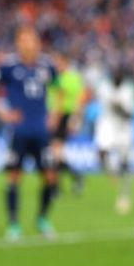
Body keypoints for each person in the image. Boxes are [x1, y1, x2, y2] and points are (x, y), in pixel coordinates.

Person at [0, 27, 59, 240]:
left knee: (50, 177)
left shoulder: (47, 65)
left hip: (41, 131)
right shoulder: (8, 66)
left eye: (32, 40)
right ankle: (13, 224)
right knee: (14, 177)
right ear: (18, 43)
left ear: (38, 42)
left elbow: (58, 89)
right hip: (19, 131)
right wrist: (2, 113)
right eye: (24, 40)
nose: (29, 44)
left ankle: (42, 218)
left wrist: (54, 114)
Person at [94, 66, 134, 214]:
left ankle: (124, 195)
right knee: (101, 151)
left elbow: (129, 114)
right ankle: (112, 171)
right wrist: (114, 105)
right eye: (114, 75)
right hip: (108, 123)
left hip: (123, 128)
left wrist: (120, 108)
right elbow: (104, 104)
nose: (116, 77)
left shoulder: (128, 90)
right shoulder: (104, 87)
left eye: (119, 75)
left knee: (125, 163)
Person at [47, 52, 86, 194]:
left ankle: (58, 186)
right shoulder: (55, 77)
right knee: (56, 153)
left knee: (55, 152)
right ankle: (69, 179)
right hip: (54, 115)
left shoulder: (71, 78)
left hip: (62, 116)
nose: (56, 65)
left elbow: (79, 98)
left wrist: (74, 118)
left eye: (58, 62)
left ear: (65, 62)